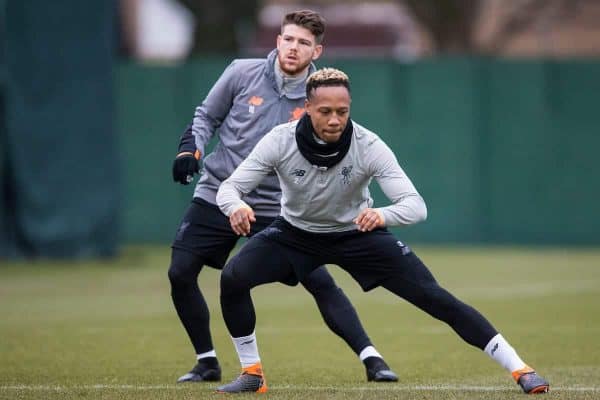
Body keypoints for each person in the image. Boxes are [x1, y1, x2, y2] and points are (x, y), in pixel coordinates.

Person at [214, 68, 550, 394]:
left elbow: (415, 205)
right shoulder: (279, 140)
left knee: (435, 298)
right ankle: (252, 374)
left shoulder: (368, 145)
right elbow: (228, 188)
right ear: (307, 108)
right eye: (325, 111)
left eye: (342, 111)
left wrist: (382, 215)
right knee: (233, 277)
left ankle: (522, 369)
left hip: (356, 233)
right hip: (295, 234)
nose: (335, 119)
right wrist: (237, 207)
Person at [168, 10, 398, 384]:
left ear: (317, 51)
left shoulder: (318, 97)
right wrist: (188, 149)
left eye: (304, 43)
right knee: (180, 272)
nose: (294, 48)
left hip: (280, 207)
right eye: (288, 39)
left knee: (319, 281)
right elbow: (205, 116)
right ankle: (206, 360)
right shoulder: (242, 72)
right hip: (219, 193)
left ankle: (372, 358)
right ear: (277, 41)